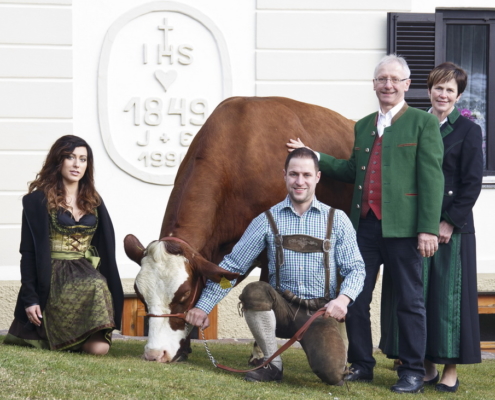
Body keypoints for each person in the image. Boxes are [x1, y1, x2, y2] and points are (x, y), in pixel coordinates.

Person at [287, 54, 445, 393]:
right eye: (381, 79)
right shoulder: (362, 125)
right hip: (366, 227)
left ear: (406, 85)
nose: (387, 85)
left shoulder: (423, 123)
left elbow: (431, 179)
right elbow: (350, 171)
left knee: (409, 300)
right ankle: (362, 364)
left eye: (394, 79)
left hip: (405, 230)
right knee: (355, 296)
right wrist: (313, 155)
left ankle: (413, 371)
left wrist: (428, 227)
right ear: (374, 84)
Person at [186, 147, 365, 384]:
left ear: (317, 177)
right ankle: (271, 363)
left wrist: (343, 299)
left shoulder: (337, 219)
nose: (299, 181)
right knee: (254, 291)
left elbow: (356, 269)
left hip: (319, 314)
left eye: (306, 175)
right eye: (293, 174)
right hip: (280, 308)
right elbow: (233, 266)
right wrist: (203, 306)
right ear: (284, 175)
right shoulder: (267, 220)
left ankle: (325, 359)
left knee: (332, 374)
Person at [380, 62, 483, 393]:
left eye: (450, 90)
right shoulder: (414, 123)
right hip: (414, 225)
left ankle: (450, 368)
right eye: (438, 87)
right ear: (428, 90)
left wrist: (449, 221)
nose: (443, 94)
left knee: (447, 300)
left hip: (451, 230)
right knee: (416, 296)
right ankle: (424, 365)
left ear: (459, 96)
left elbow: (471, 184)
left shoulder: (469, 131)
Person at [4, 135, 124, 354]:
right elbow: (28, 253)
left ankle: (78, 337)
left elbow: (105, 248)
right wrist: (30, 299)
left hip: (84, 273)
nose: (77, 164)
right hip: (51, 277)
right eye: (70, 157)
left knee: (99, 349)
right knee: (93, 284)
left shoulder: (94, 201)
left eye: (83, 159)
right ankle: (59, 336)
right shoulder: (37, 201)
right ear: (59, 161)